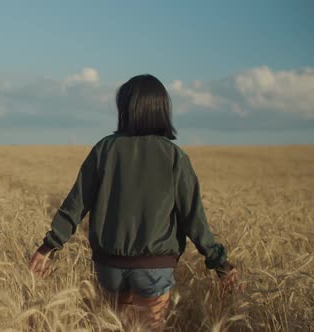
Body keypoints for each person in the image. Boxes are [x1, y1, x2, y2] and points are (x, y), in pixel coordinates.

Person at [29, 74, 240, 331]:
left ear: (125, 109)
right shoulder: (174, 156)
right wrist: (220, 263)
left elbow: (76, 203)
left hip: (109, 267)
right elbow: (194, 218)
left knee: (118, 326)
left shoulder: (104, 149)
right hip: (153, 267)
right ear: (162, 109)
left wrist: (48, 247)